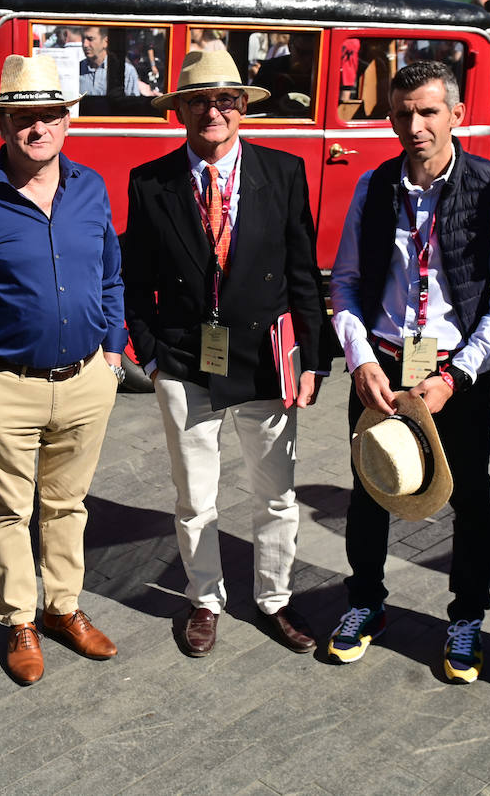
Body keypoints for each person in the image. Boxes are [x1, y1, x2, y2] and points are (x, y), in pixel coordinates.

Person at [124, 50, 328, 657]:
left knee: (276, 494)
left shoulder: (284, 172)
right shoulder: (150, 180)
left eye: (226, 100)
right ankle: (205, 598)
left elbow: (302, 274)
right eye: (199, 100)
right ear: (179, 110)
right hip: (185, 361)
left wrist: (313, 360)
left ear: (243, 107)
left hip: (266, 357)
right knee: (195, 498)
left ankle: (274, 598)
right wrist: (152, 357)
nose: (213, 111)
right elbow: (135, 280)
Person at [326, 60, 490, 680]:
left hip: (453, 375)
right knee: (371, 492)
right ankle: (366, 603)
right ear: (390, 117)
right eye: (405, 112)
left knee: (471, 500)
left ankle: (466, 617)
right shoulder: (373, 184)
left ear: (457, 116)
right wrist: (360, 360)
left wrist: (455, 377)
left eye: (429, 111)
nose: (416, 125)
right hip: (384, 366)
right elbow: (347, 283)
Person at [0, 55, 125, 686]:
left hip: (86, 379)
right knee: (7, 510)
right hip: (6, 386)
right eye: (24, 116)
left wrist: (113, 350)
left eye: (49, 113)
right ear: (3, 123)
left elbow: (110, 274)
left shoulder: (92, 187)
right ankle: (19, 618)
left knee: (67, 504)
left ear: (67, 119)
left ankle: (63, 608)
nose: (38, 126)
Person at [78, 26, 141, 97]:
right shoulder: (77, 70)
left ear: (106, 42)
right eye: (83, 39)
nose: (85, 44)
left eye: (90, 39)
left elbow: (133, 105)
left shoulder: (126, 72)